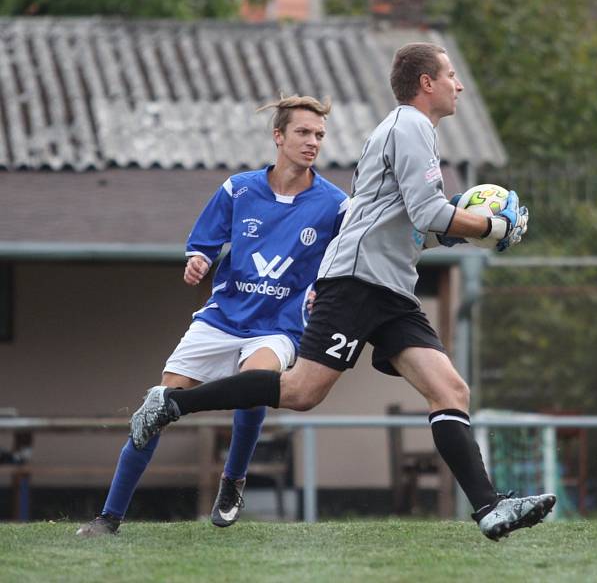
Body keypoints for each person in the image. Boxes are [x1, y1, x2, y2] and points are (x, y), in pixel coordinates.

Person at [129, 42, 555, 541]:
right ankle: (172, 404)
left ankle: (489, 509)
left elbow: (417, 225)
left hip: (391, 287)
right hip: (357, 280)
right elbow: (428, 213)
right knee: (301, 392)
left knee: (450, 390)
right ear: (426, 83)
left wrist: (471, 228)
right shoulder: (410, 126)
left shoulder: (414, 133)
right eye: (452, 75)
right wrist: (490, 226)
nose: (459, 85)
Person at [77, 95, 349, 537]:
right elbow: (203, 243)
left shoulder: (336, 204)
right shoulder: (238, 189)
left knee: (254, 384)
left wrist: (325, 289)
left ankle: (233, 480)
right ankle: (109, 517)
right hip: (221, 318)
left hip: (278, 326)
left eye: (319, 134)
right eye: (303, 132)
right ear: (278, 136)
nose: (313, 142)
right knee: (158, 405)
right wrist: (197, 262)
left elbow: (345, 262)